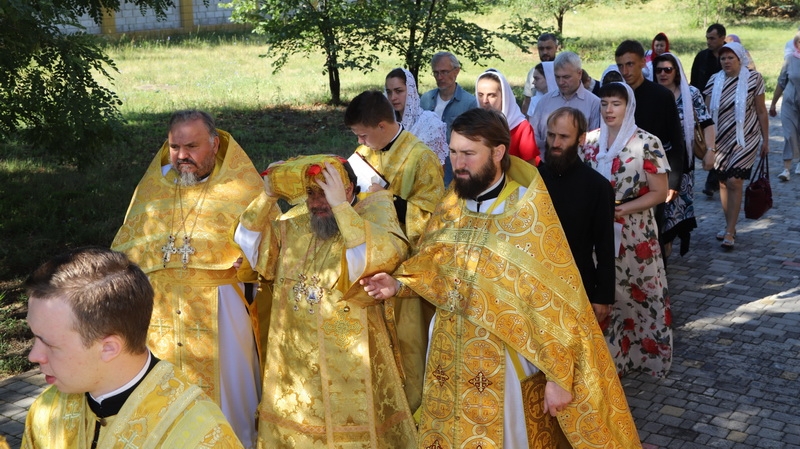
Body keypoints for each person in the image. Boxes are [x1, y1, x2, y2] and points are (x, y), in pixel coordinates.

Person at [361, 108, 641, 448]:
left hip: (503, 361)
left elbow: (555, 301)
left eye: (469, 153)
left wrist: (559, 377)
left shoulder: (526, 211)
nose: (458, 163)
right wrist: (398, 284)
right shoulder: (452, 202)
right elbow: (434, 263)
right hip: (447, 356)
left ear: (497, 152)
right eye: (454, 152)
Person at [239, 156, 417, 448]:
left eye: (324, 192)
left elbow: (369, 263)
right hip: (293, 359)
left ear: (347, 190)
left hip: (349, 358)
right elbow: (250, 246)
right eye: (310, 193)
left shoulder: (375, 214)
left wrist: (340, 208)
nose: (316, 202)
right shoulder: (295, 223)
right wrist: (267, 195)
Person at [111, 109, 264, 447]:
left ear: (214, 144)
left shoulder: (242, 188)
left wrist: (248, 262)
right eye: (174, 147)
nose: (182, 156)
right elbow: (127, 250)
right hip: (160, 316)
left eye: (192, 147)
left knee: (229, 401)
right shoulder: (152, 190)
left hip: (222, 316)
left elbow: (270, 252)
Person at [22, 247, 243, 449]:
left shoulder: (201, 437)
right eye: (34, 336)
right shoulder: (47, 411)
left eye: (49, 344)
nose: (34, 356)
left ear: (109, 348)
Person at [346, 89, 444, 412]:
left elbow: (434, 219)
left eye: (363, 134)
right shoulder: (364, 152)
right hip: (370, 264)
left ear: (382, 126)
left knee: (408, 349)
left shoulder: (421, 157)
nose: (360, 141)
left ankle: (413, 414)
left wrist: (388, 200)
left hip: (404, 272)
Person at [582, 81, 672, 378]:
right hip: (597, 229)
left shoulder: (646, 142)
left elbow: (660, 192)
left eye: (616, 104)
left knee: (639, 292)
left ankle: (643, 357)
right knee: (605, 292)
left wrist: (623, 209)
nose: (609, 110)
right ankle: (609, 360)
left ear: (628, 106)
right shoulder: (590, 141)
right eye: (604, 103)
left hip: (634, 231)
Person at [538, 107, 615, 326]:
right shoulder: (533, 179)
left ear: (581, 139)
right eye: (551, 135)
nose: (555, 143)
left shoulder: (597, 186)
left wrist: (603, 296)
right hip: (535, 284)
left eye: (563, 137)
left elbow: (605, 246)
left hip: (579, 285)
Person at [616, 40, 686, 263]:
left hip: (653, 176)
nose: (625, 71)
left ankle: (657, 277)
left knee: (653, 233)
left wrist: (674, 180)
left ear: (642, 63)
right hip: (622, 176)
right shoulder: (617, 96)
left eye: (630, 64)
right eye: (620, 65)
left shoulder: (661, 95)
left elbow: (676, 139)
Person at [705, 42, 769, 249]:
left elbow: (761, 110)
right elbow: (706, 114)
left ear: (740, 59)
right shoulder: (714, 80)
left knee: (734, 181)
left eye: (730, 57)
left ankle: (730, 230)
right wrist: (706, 143)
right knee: (723, 182)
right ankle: (729, 225)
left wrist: (766, 140)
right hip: (720, 139)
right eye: (723, 58)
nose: (726, 61)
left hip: (746, 138)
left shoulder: (754, 79)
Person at [654, 52, 717, 258]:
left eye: (668, 69)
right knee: (657, 212)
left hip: (681, 164)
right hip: (654, 162)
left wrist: (710, 150)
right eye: (659, 70)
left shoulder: (691, 94)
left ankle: (665, 256)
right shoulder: (651, 94)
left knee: (673, 212)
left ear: (676, 72)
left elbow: (707, 122)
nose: (663, 74)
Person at [420, 52, 478, 184]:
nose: (440, 77)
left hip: (453, 173)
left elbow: (473, 142)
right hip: (426, 170)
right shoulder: (426, 100)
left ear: (456, 71)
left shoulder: (469, 103)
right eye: (436, 73)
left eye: (444, 72)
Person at [531, 51, 601, 150]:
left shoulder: (594, 104)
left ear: (579, 74)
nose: (561, 82)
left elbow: (594, 142)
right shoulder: (544, 101)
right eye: (557, 77)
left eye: (566, 77)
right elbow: (533, 135)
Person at [691, 23, 727, 197]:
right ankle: (713, 178)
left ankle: (715, 180)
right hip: (703, 107)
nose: (709, 41)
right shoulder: (701, 57)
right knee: (708, 142)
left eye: (712, 38)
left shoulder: (729, 56)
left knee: (720, 142)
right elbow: (694, 82)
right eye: (707, 38)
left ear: (722, 38)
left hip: (725, 108)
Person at [476, 69, 541, 165]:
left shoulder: (521, 127)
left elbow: (530, 168)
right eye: (480, 95)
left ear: (503, 96)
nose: (485, 101)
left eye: (491, 95)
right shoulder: (475, 125)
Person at [385, 67, 448, 165]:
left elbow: (439, 166)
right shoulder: (386, 124)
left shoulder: (430, 123)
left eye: (399, 91)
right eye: (389, 92)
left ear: (411, 91)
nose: (393, 97)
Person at [770, 31, 800, 181]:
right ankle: (786, 169)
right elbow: (781, 82)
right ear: (796, 44)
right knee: (789, 134)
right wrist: (773, 104)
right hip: (789, 102)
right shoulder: (790, 59)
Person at [522, 33, 559, 115]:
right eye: (541, 49)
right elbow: (527, 102)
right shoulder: (533, 72)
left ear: (556, 48)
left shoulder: (564, 71)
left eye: (548, 48)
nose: (545, 52)